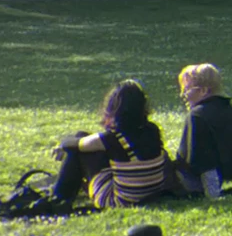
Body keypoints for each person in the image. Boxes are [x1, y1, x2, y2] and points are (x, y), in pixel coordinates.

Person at [49, 79, 173, 209]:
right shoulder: (153, 130)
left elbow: (75, 144)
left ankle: (59, 197)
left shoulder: (114, 138)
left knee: (78, 147)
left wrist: (62, 145)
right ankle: (63, 194)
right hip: (151, 193)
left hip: (121, 200)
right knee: (84, 140)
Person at [174, 63, 232, 196]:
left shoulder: (197, 116)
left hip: (200, 182)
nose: (183, 94)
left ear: (203, 91)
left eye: (186, 89)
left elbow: (202, 159)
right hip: (231, 171)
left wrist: (213, 194)